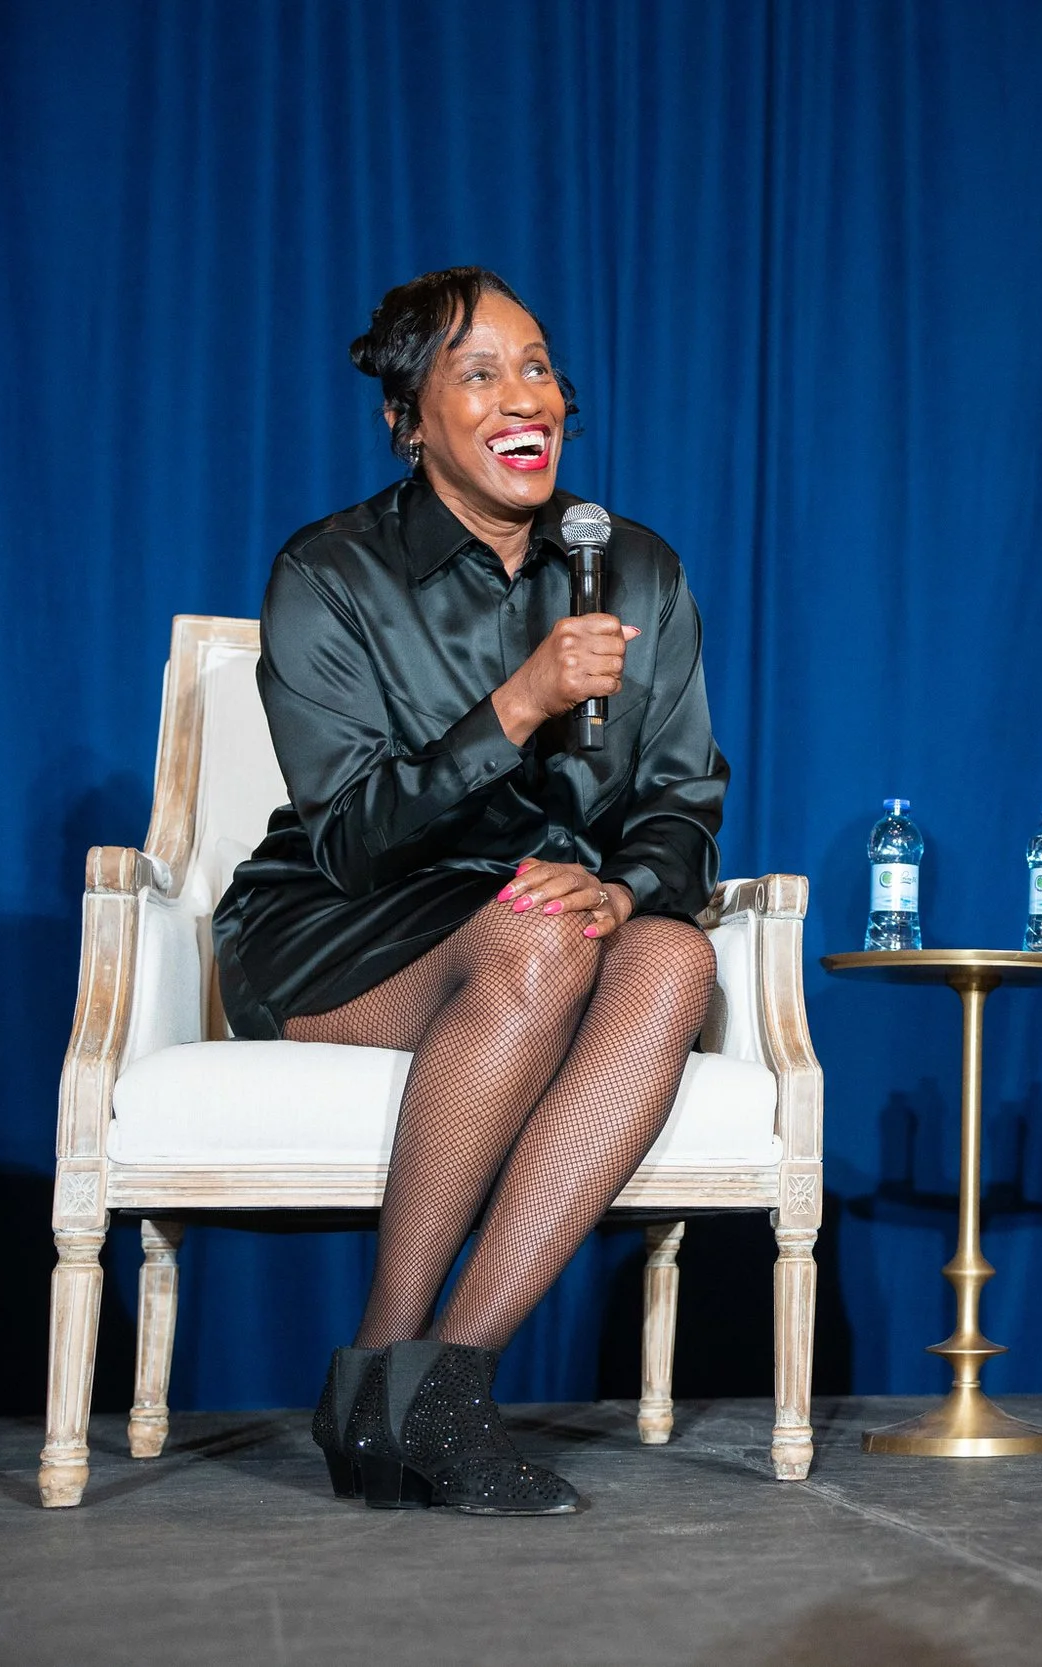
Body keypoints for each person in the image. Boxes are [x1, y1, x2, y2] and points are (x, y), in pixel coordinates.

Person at [212, 268, 728, 1515]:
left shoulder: (634, 569)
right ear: (411, 418)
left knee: (671, 956)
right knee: (539, 940)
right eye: (480, 372)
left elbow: (682, 797)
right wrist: (518, 707)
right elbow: (348, 838)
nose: (523, 395)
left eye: (538, 366)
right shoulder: (328, 570)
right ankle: (384, 1357)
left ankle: (443, 1386)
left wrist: (627, 887)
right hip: (338, 926)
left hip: (538, 918)